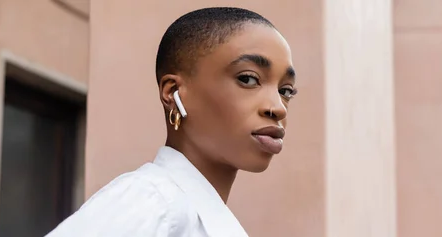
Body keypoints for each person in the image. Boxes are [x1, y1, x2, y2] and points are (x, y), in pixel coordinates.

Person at [46, 6, 297, 237]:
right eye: (248, 79)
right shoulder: (153, 203)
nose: (277, 108)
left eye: (285, 91)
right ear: (173, 92)